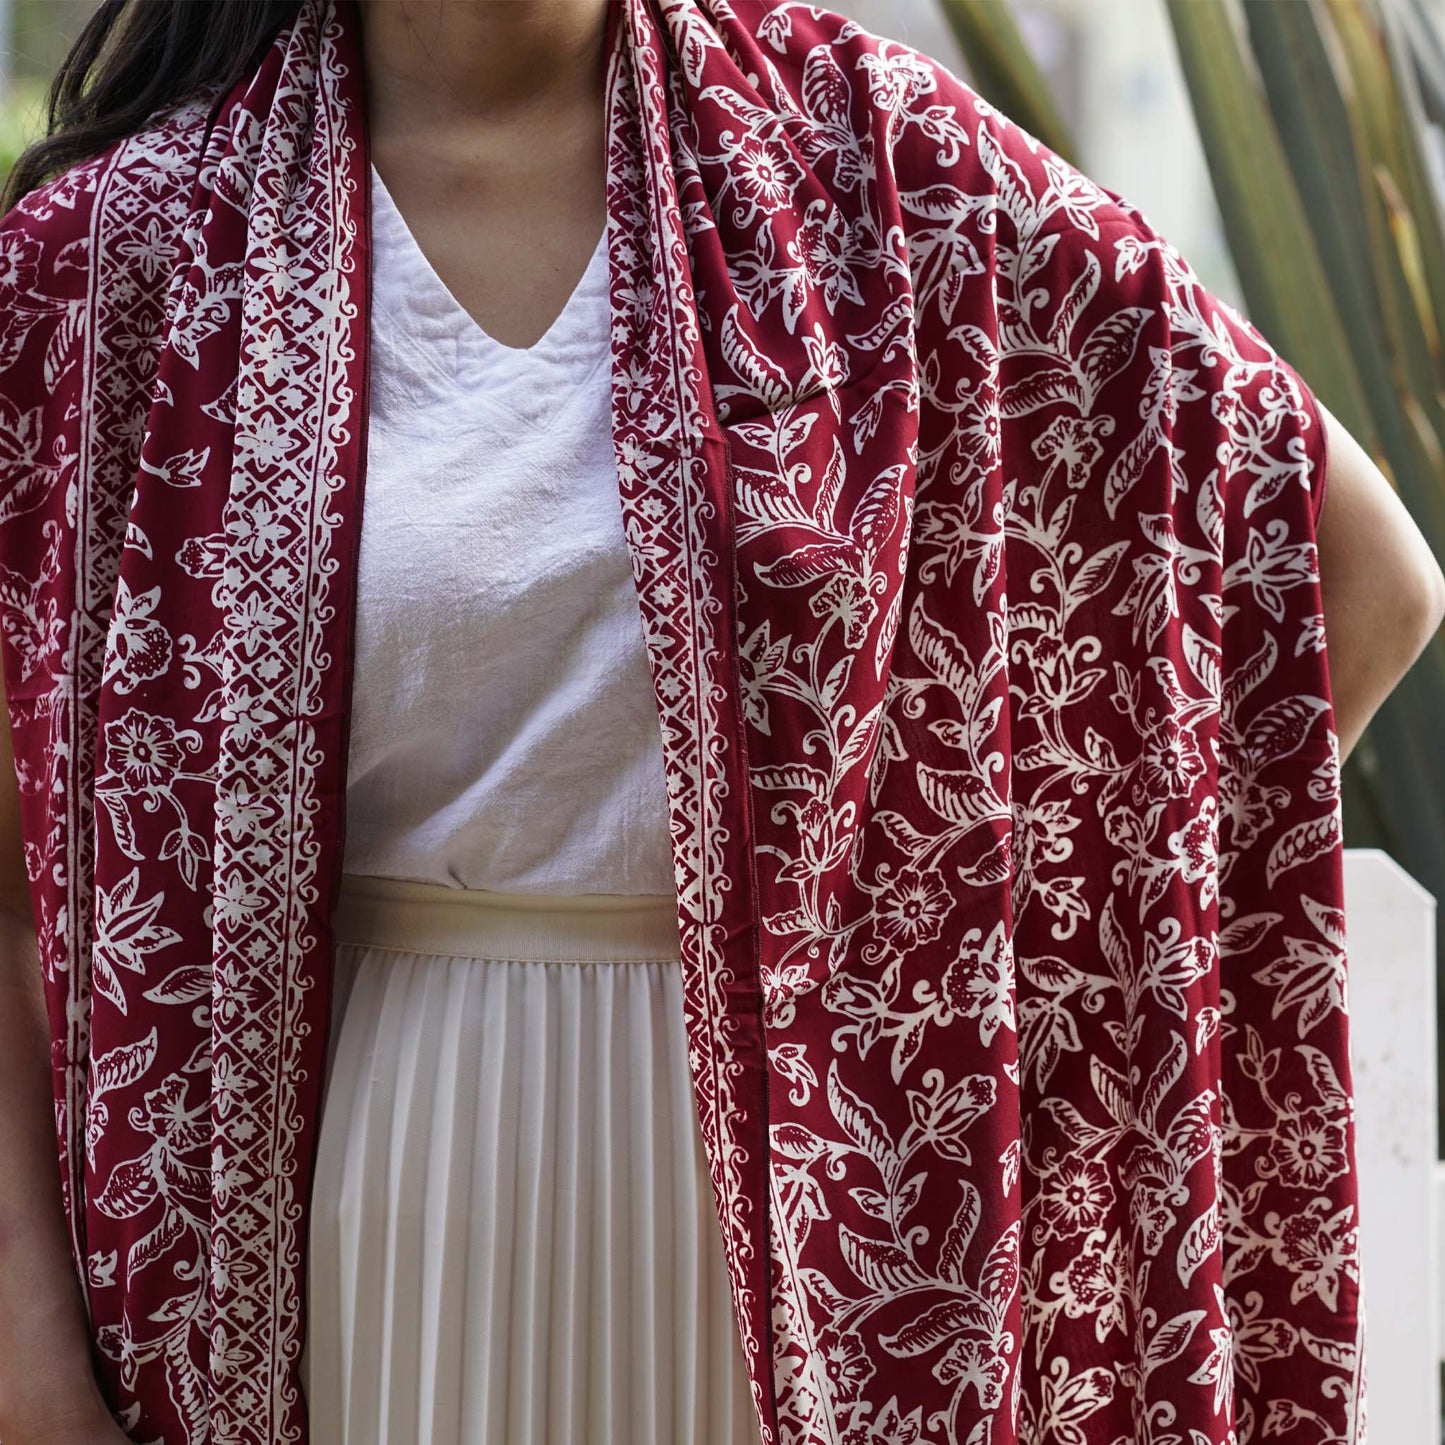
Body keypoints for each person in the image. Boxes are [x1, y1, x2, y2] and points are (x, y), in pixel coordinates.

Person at [0, 2, 1439, 1444]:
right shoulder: (120, 265)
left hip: (813, 1248)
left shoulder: (887, 174)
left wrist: (1034, 986)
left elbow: (1353, 578)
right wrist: (36, 1373)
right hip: (365, 1209)